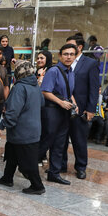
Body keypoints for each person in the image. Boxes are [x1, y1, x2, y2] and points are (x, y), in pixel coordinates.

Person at [0, 61, 45, 195]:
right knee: (12, 153)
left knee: (29, 161)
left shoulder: (19, 87)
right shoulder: (35, 85)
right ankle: (7, 178)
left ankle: (37, 185)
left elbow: (13, 111)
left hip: (22, 130)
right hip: (33, 128)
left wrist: (1, 125)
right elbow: (42, 103)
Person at [61, 35, 100, 179]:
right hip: (63, 108)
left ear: (79, 47)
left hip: (81, 110)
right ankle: (61, 165)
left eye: (70, 46)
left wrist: (91, 109)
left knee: (79, 140)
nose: (67, 51)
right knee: (61, 139)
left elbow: (94, 88)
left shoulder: (90, 64)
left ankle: (81, 167)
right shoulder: (63, 62)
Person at [39, 43, 78, 185]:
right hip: (52, 111)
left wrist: (74, 103)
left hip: (65, 111)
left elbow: (69, 92)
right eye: (66, 54)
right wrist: (60, 103)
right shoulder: (53, 71)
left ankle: (54, 173)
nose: (69, 57)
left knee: (60, 144)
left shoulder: (71, 72)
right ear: (60, 56)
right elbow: (45, 91)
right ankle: (27, 167)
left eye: (72, 54)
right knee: (46, 142)